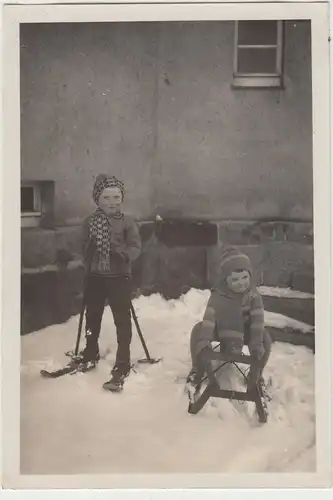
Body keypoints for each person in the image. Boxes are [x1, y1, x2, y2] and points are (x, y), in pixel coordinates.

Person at [78, 173, 141, 391]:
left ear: (122, 198)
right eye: (106, 198)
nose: (112, 202)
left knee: (122, 320)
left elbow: (136, 247)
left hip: (119, 278)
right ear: (98, 199)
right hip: (95, 277)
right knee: (92, 316)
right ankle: (90, 350)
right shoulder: (89, 222)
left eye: (116, 197)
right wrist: (88, 250)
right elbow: (81, 247)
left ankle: (123, 359)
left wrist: (123, 255)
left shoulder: (127, 222)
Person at [186, 245, 272, 392]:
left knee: (265, 338)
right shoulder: (218, 295)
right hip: (220, 328)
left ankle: (256, 373)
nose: (241, 283)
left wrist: (256, 345)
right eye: (235, 279)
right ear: (225, 280)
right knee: (198, 330)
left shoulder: (253, 296)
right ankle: (197, 369)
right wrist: (205, 339)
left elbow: (257, 322)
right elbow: (209, 318)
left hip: (245, 330)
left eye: (245, 277)